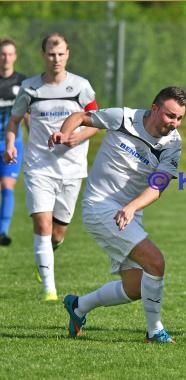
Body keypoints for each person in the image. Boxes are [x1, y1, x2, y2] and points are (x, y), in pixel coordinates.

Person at [49, 86, 186, 344]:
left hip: (128, 213)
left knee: (135, 287)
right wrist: (64, 133)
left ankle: (78, 306)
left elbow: (158, 185)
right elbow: (81, 117)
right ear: (154, 108)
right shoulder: (123, 117)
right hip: (100, 206)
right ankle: (155, 331)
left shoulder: (173, 143)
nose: (174, 123)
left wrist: (133, 206)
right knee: (156, 263)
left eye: (179, 118)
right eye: (170, 115)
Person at [3, 33, 98, 301]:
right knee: (42, 225)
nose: (56, 59)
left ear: (67, 54)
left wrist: (78, 136)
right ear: (43, 55)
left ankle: (46, 256)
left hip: (72, 169)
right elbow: (14, 122)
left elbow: (97, 120)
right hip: (38, 166)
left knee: (57, 234)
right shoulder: (30, 88)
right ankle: (49, 289)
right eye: (51, 54)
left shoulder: (81, 87)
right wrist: (11, 145)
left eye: (61, 54)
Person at [0, 38, 26, 246]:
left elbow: (28, 116)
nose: (6, 58)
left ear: (15, 57)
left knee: (7, 185)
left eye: (9, 54)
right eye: (2, 54)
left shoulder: (23, 83)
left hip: (13, 143)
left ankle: (2, 232)